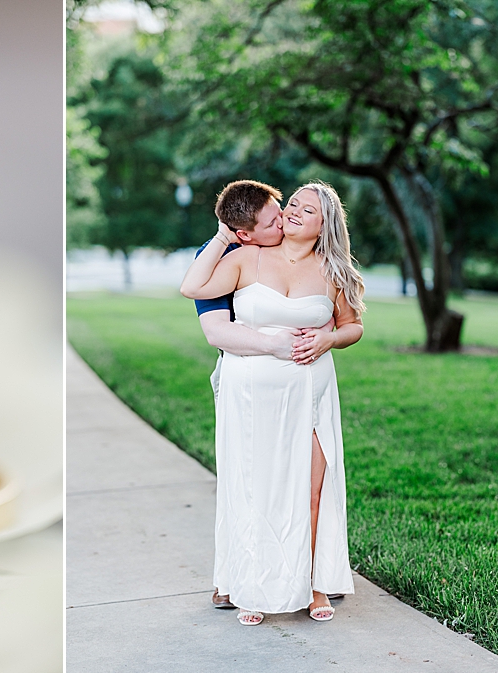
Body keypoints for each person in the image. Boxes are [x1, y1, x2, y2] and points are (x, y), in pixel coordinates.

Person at [181, 181, 365, 625]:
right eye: (293, 204)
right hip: (251, 399)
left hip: (312, 394)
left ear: (325, 225)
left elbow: (353, 326)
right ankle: (252, 584)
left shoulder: (334, 272)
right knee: (254, 489)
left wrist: (329, 337)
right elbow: (192, 287)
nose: (294, 213)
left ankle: (316, 584)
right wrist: (225, 235)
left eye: (307, 209)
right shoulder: (245, 257)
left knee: (312, 488)